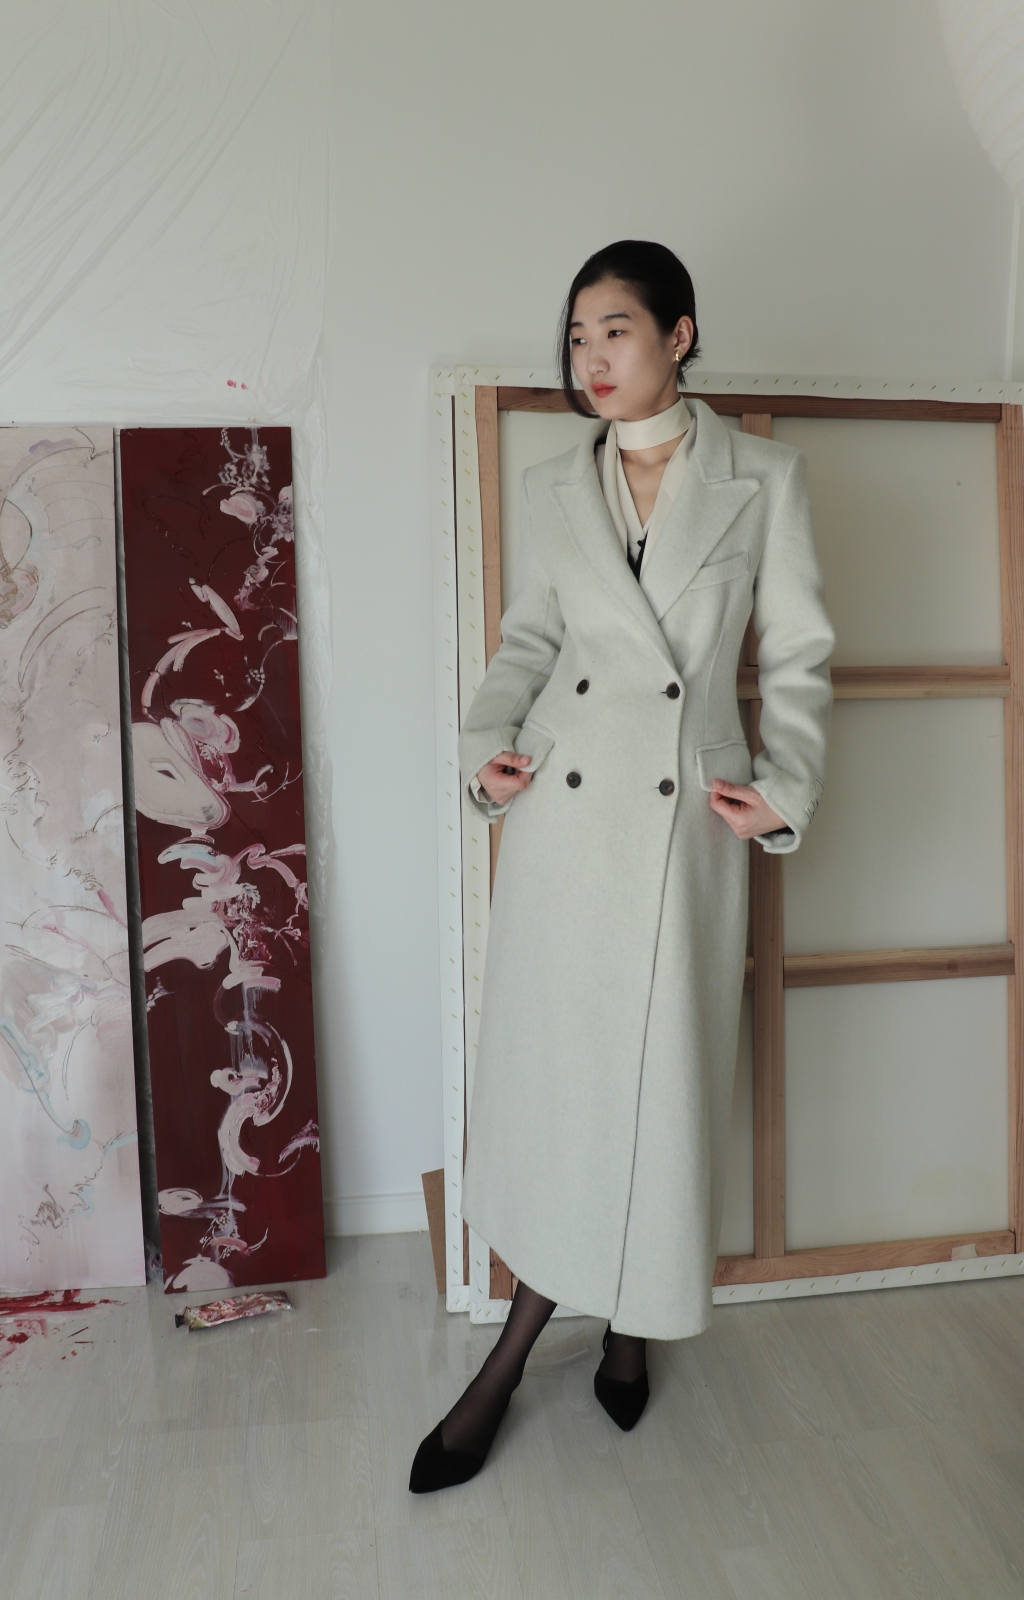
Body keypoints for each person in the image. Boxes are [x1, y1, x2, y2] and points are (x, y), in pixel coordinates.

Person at [410, 239, 834, 1494]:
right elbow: (526, 642)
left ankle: (622, 1327)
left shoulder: (763, 478)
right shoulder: (555, 484)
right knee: (565, 1090)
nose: (591, 357)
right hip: (563, 816)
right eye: (578, 336)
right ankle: (524, 1355)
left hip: (684, 821)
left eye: (617, 331)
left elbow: (797, 652)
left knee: (655, 1088)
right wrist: (487, 751)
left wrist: (785, 785)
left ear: (679, 334)